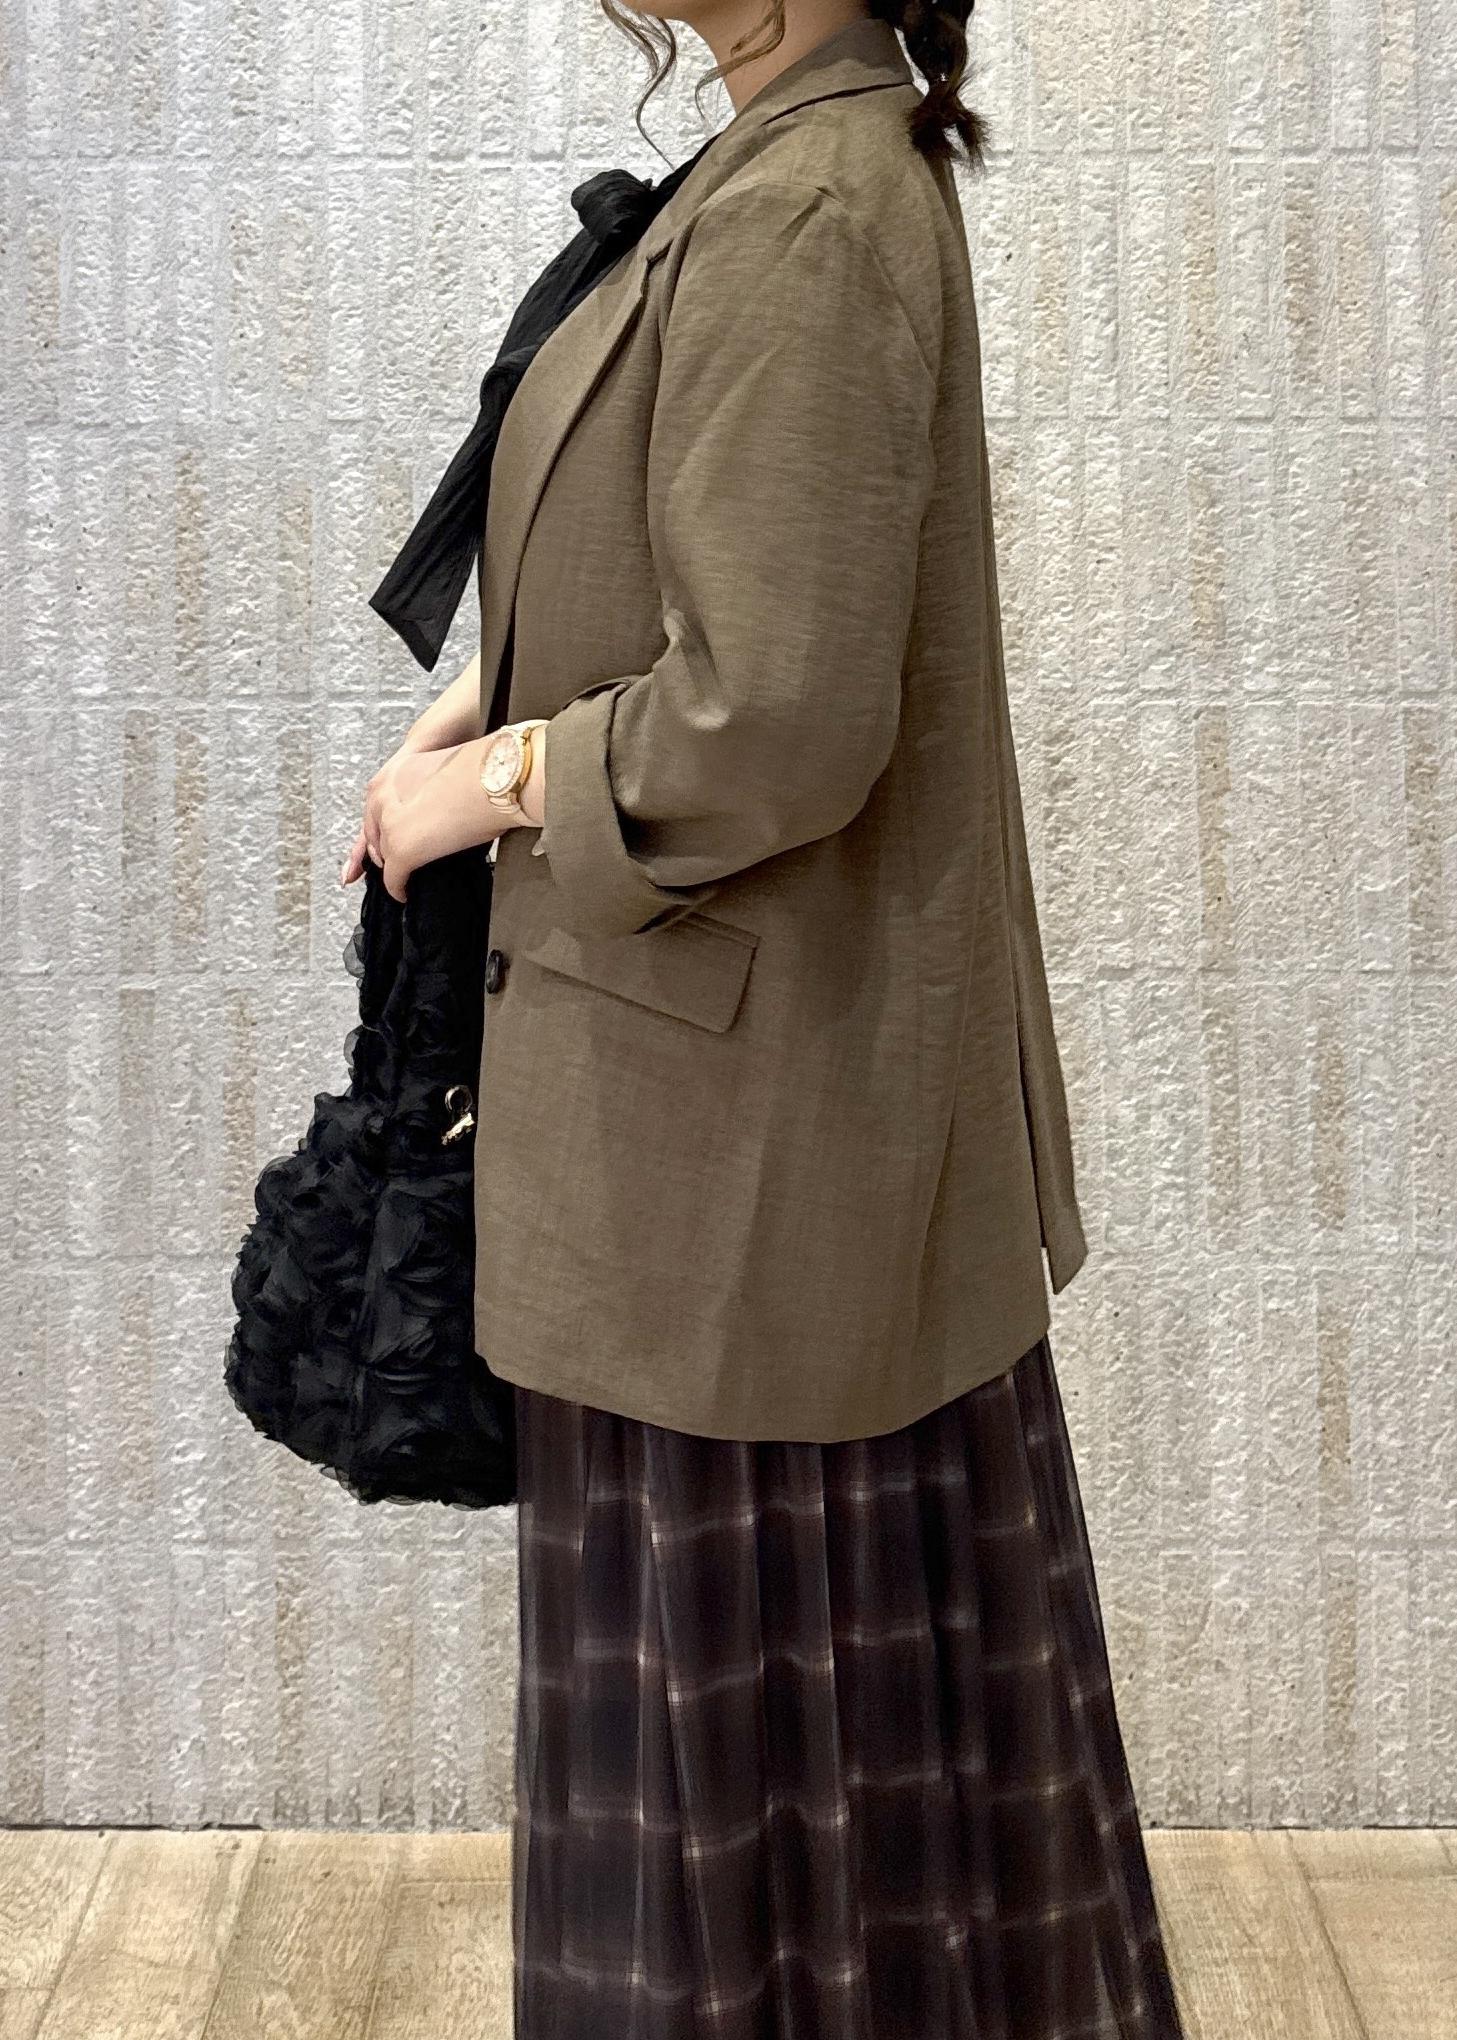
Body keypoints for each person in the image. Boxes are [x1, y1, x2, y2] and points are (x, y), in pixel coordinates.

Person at [343, 3, 1187, 2033]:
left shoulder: (804, 203)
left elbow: (778, 714)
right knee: (854, 1781)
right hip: (751, 1105)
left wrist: (500, 784)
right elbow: (716, 584)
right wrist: (494, 694)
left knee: (742, 1780)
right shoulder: (789, 162)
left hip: (739, 1137)